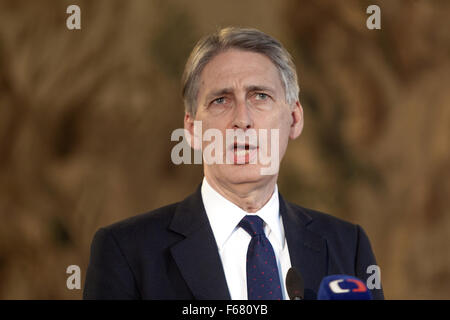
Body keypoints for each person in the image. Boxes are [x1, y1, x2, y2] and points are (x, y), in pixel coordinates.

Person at [83, 27, 384, 300]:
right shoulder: (127, 252)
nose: (242, 119)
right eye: (221, 100)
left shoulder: (348, 246)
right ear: (192, 130)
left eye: (260, 96)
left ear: (294, 119)